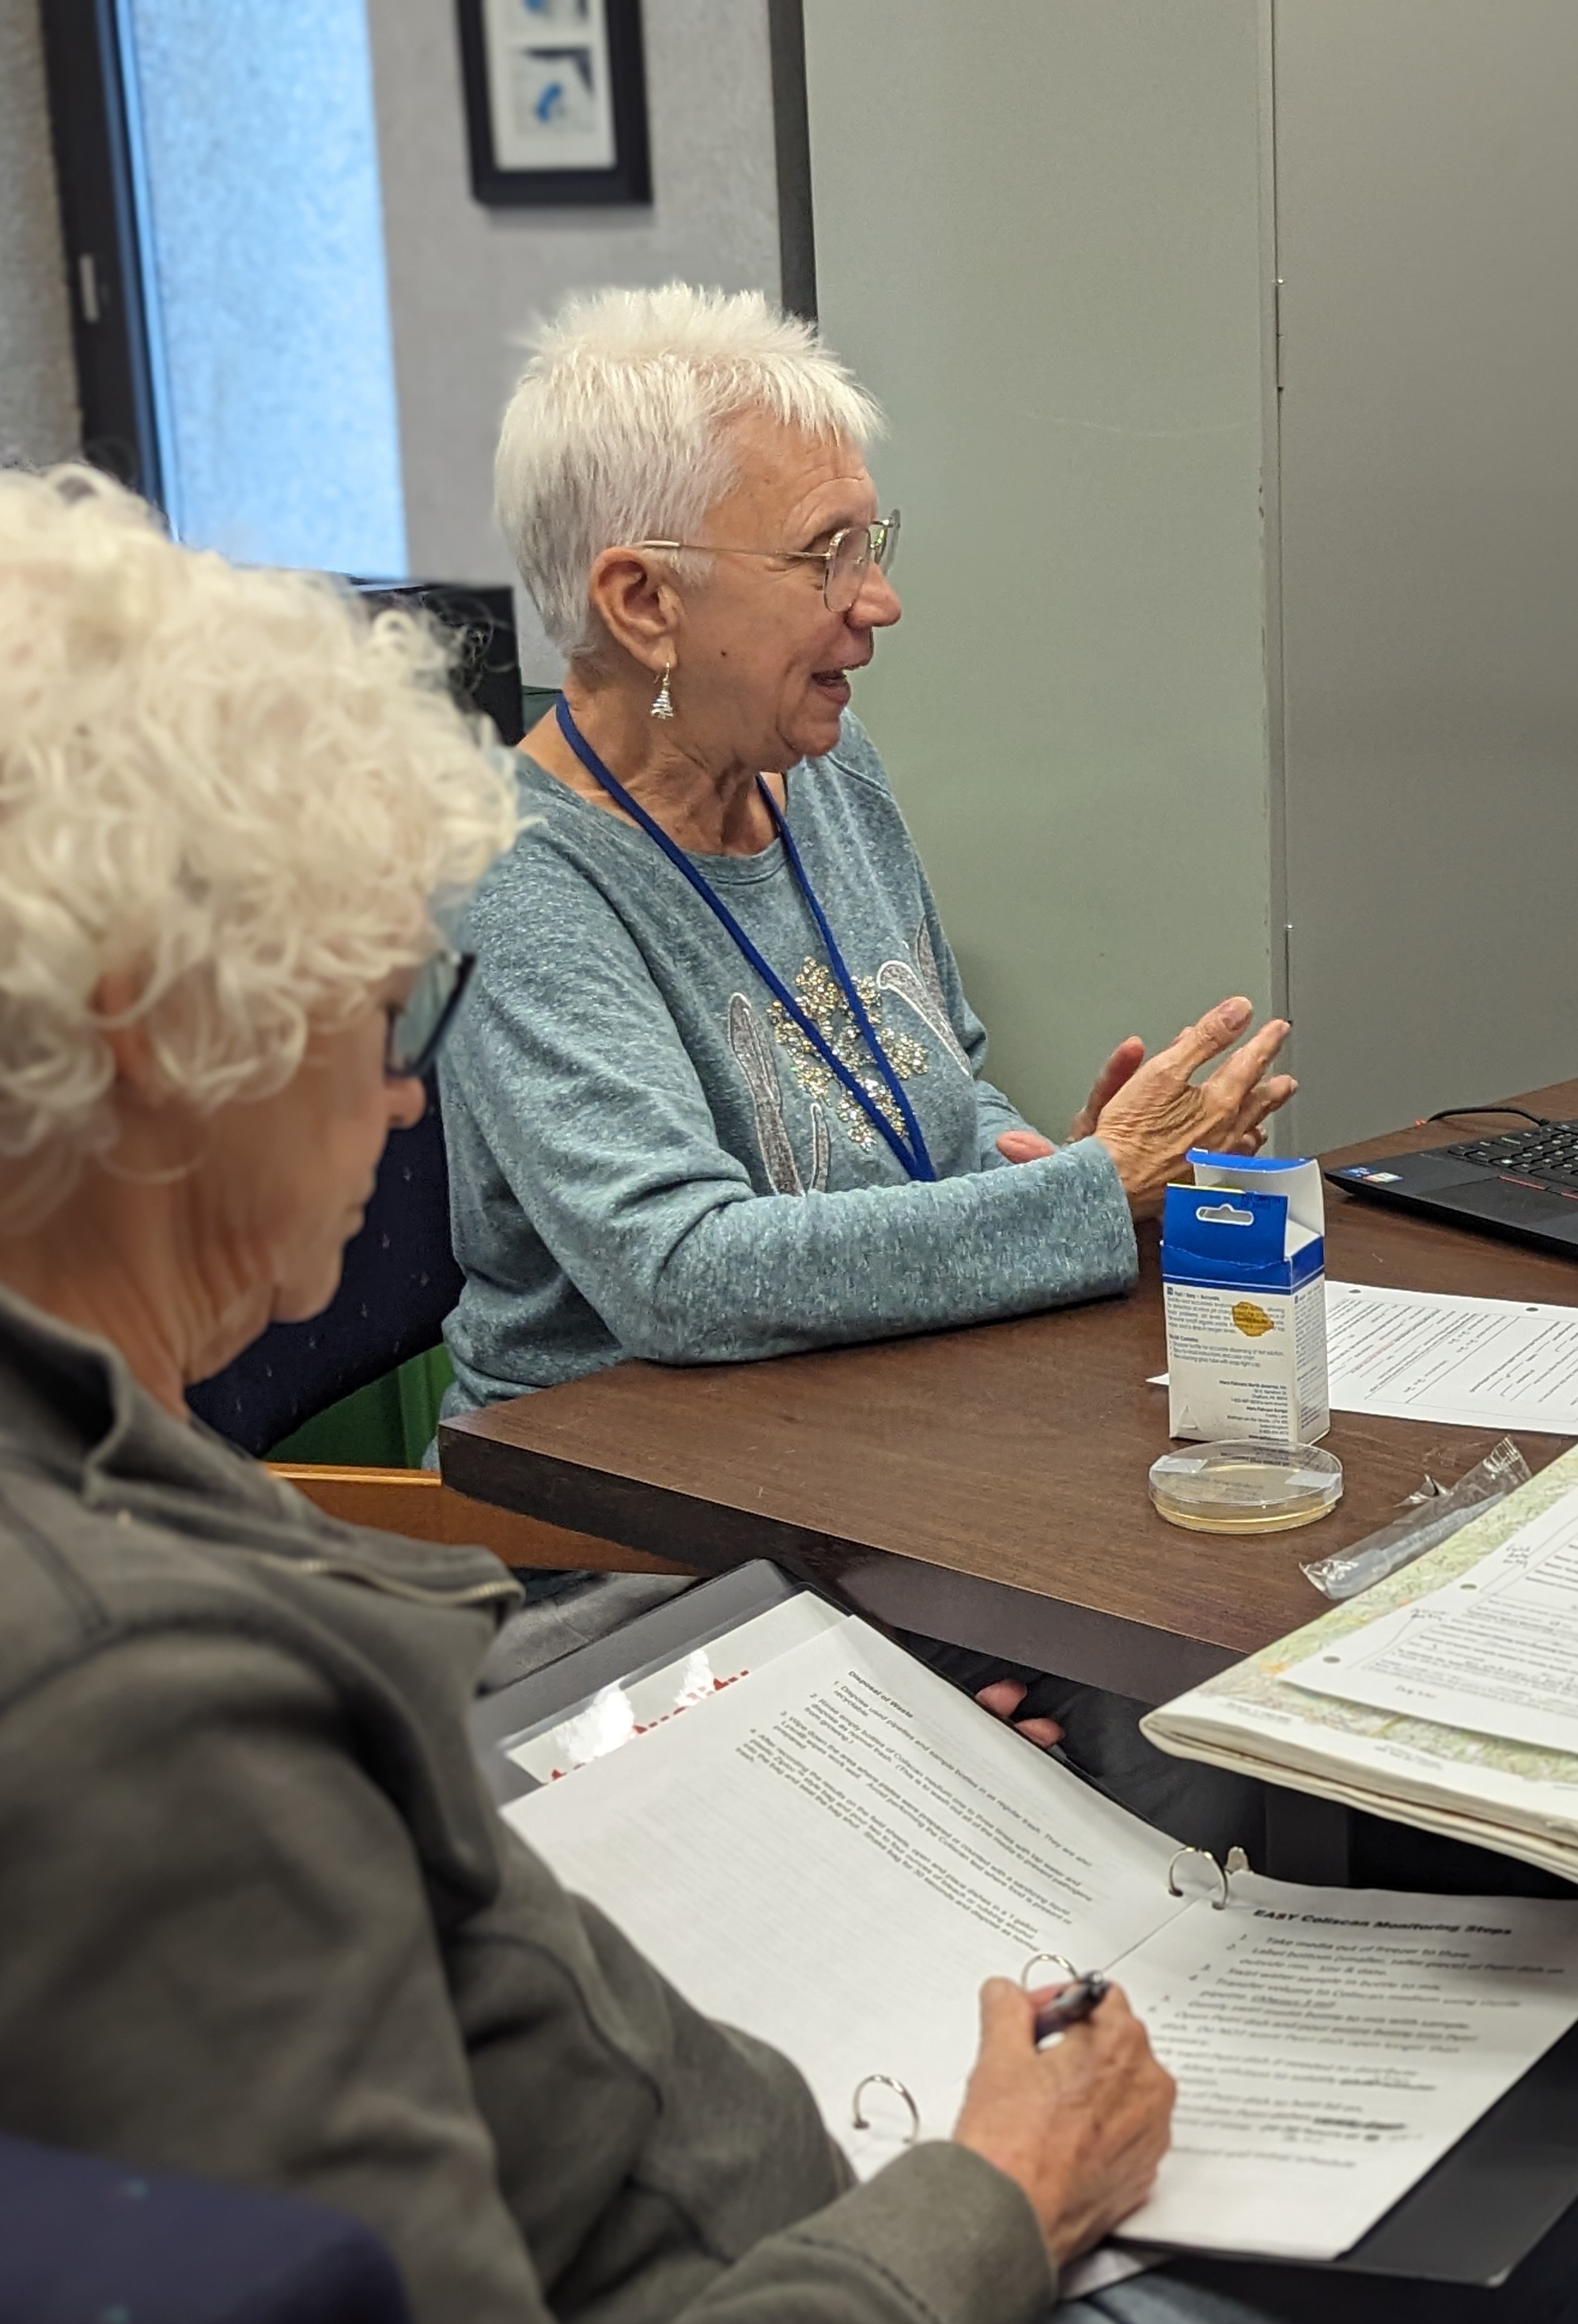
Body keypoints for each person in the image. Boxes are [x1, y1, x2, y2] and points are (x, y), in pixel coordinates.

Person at [0, 464, 1578, 2324]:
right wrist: (993, 2191)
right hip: (845, 2295)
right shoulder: (121, 1707)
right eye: (384, 1014)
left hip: (722, 2127)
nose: (399, 1111)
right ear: (142, 1035)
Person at [441, 283, 1289, 1840]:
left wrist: (1035, 1159)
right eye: (825, 556)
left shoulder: (816, 774)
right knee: (1171, 1716)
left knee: (1250, 1643)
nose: (875, 604)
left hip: (877, 1479)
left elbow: (938, 1083)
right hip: (654, 1569)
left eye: (870, 548)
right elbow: (675, 1269)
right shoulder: (527, 887)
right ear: (643, 604)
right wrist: (1084, 1199)